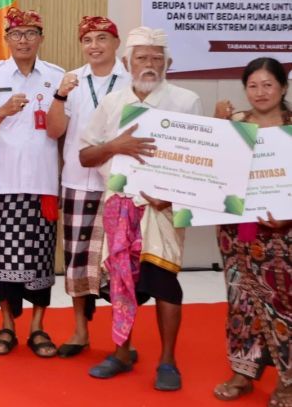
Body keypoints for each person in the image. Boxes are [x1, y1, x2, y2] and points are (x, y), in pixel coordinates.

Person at [79, 26, 202, 392]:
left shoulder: (186, 100)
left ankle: (167, 360)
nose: (149, 65)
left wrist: (176, 196)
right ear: (127, 63)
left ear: (168, 63)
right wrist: (117, 145)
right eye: (141, 58)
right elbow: (86, 155)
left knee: (165, 282)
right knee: (121, 283)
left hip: (164, 208)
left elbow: (200, 162)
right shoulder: (113, 103)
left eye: (155, 58)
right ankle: (122, 352)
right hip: (120, 205)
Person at [0, 7, 64, 359]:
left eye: (30, 34)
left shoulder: (56, 77)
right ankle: (7, 325)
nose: (23, 40)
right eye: (16, 35)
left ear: (41, 37)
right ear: (6, 40)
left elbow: (63, 130)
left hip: (43, 184)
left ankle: (38, 327)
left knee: (40, 257)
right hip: (5, 183)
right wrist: (2, 112)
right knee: (6, 258)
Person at [45, 16, 130, 357]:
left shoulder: (130, 81)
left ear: (115, 43)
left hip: (120, 182)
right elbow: (53, 131)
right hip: (78, 181)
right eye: (88, 40)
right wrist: (59, 95)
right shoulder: (72, 81)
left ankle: (124, 338)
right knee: (78, 259)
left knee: (120, 261)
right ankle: (80, 331)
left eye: (101, 39)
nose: (94, 46)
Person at [212, 57, 291, 405]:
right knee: (240, 300)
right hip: (236, 233)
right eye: (253, 86)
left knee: (284, 303)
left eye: (268, 85)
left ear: (284, 88)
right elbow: (211, 170)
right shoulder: (234, 124)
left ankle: (288, 380)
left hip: (283, 234)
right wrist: (215, 127)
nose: (260, 92)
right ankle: (242, 372)